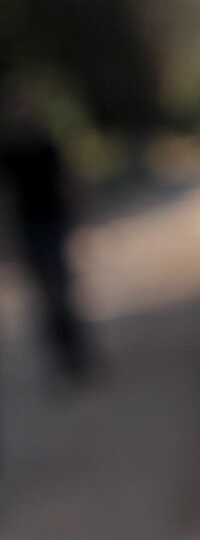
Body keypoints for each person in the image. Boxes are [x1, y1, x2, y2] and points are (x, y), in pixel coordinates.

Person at [0, 87, 94, 385]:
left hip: (53, 224)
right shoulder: (10, 152)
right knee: (45, 298)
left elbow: (66, 181)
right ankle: (63, 358)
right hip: (30, 230)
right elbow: (7, 198)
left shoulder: (45, 144)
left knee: (62, 292)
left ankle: (78, 354)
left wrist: (80, 218)